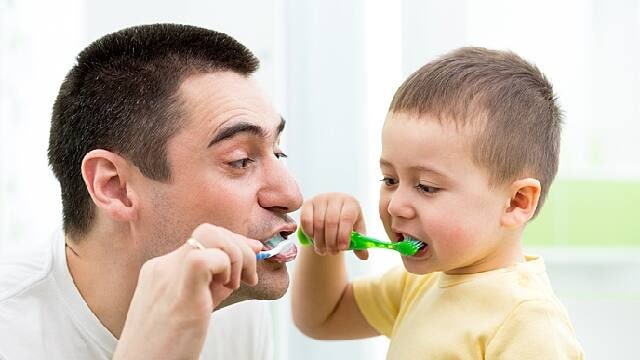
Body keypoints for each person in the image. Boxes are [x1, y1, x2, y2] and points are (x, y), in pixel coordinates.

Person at [0, 23, 302, 359]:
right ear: (115, 187)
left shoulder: (230, 306)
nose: (291, 194)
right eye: (241, 160)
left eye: (278, 152)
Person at [291, 47, 584, 359]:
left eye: (426, 187)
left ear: (515, 202)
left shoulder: (528, 320)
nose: (396, 206)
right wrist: (320, 241)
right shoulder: (419, 284)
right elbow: (323, 318)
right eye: (389, 180)